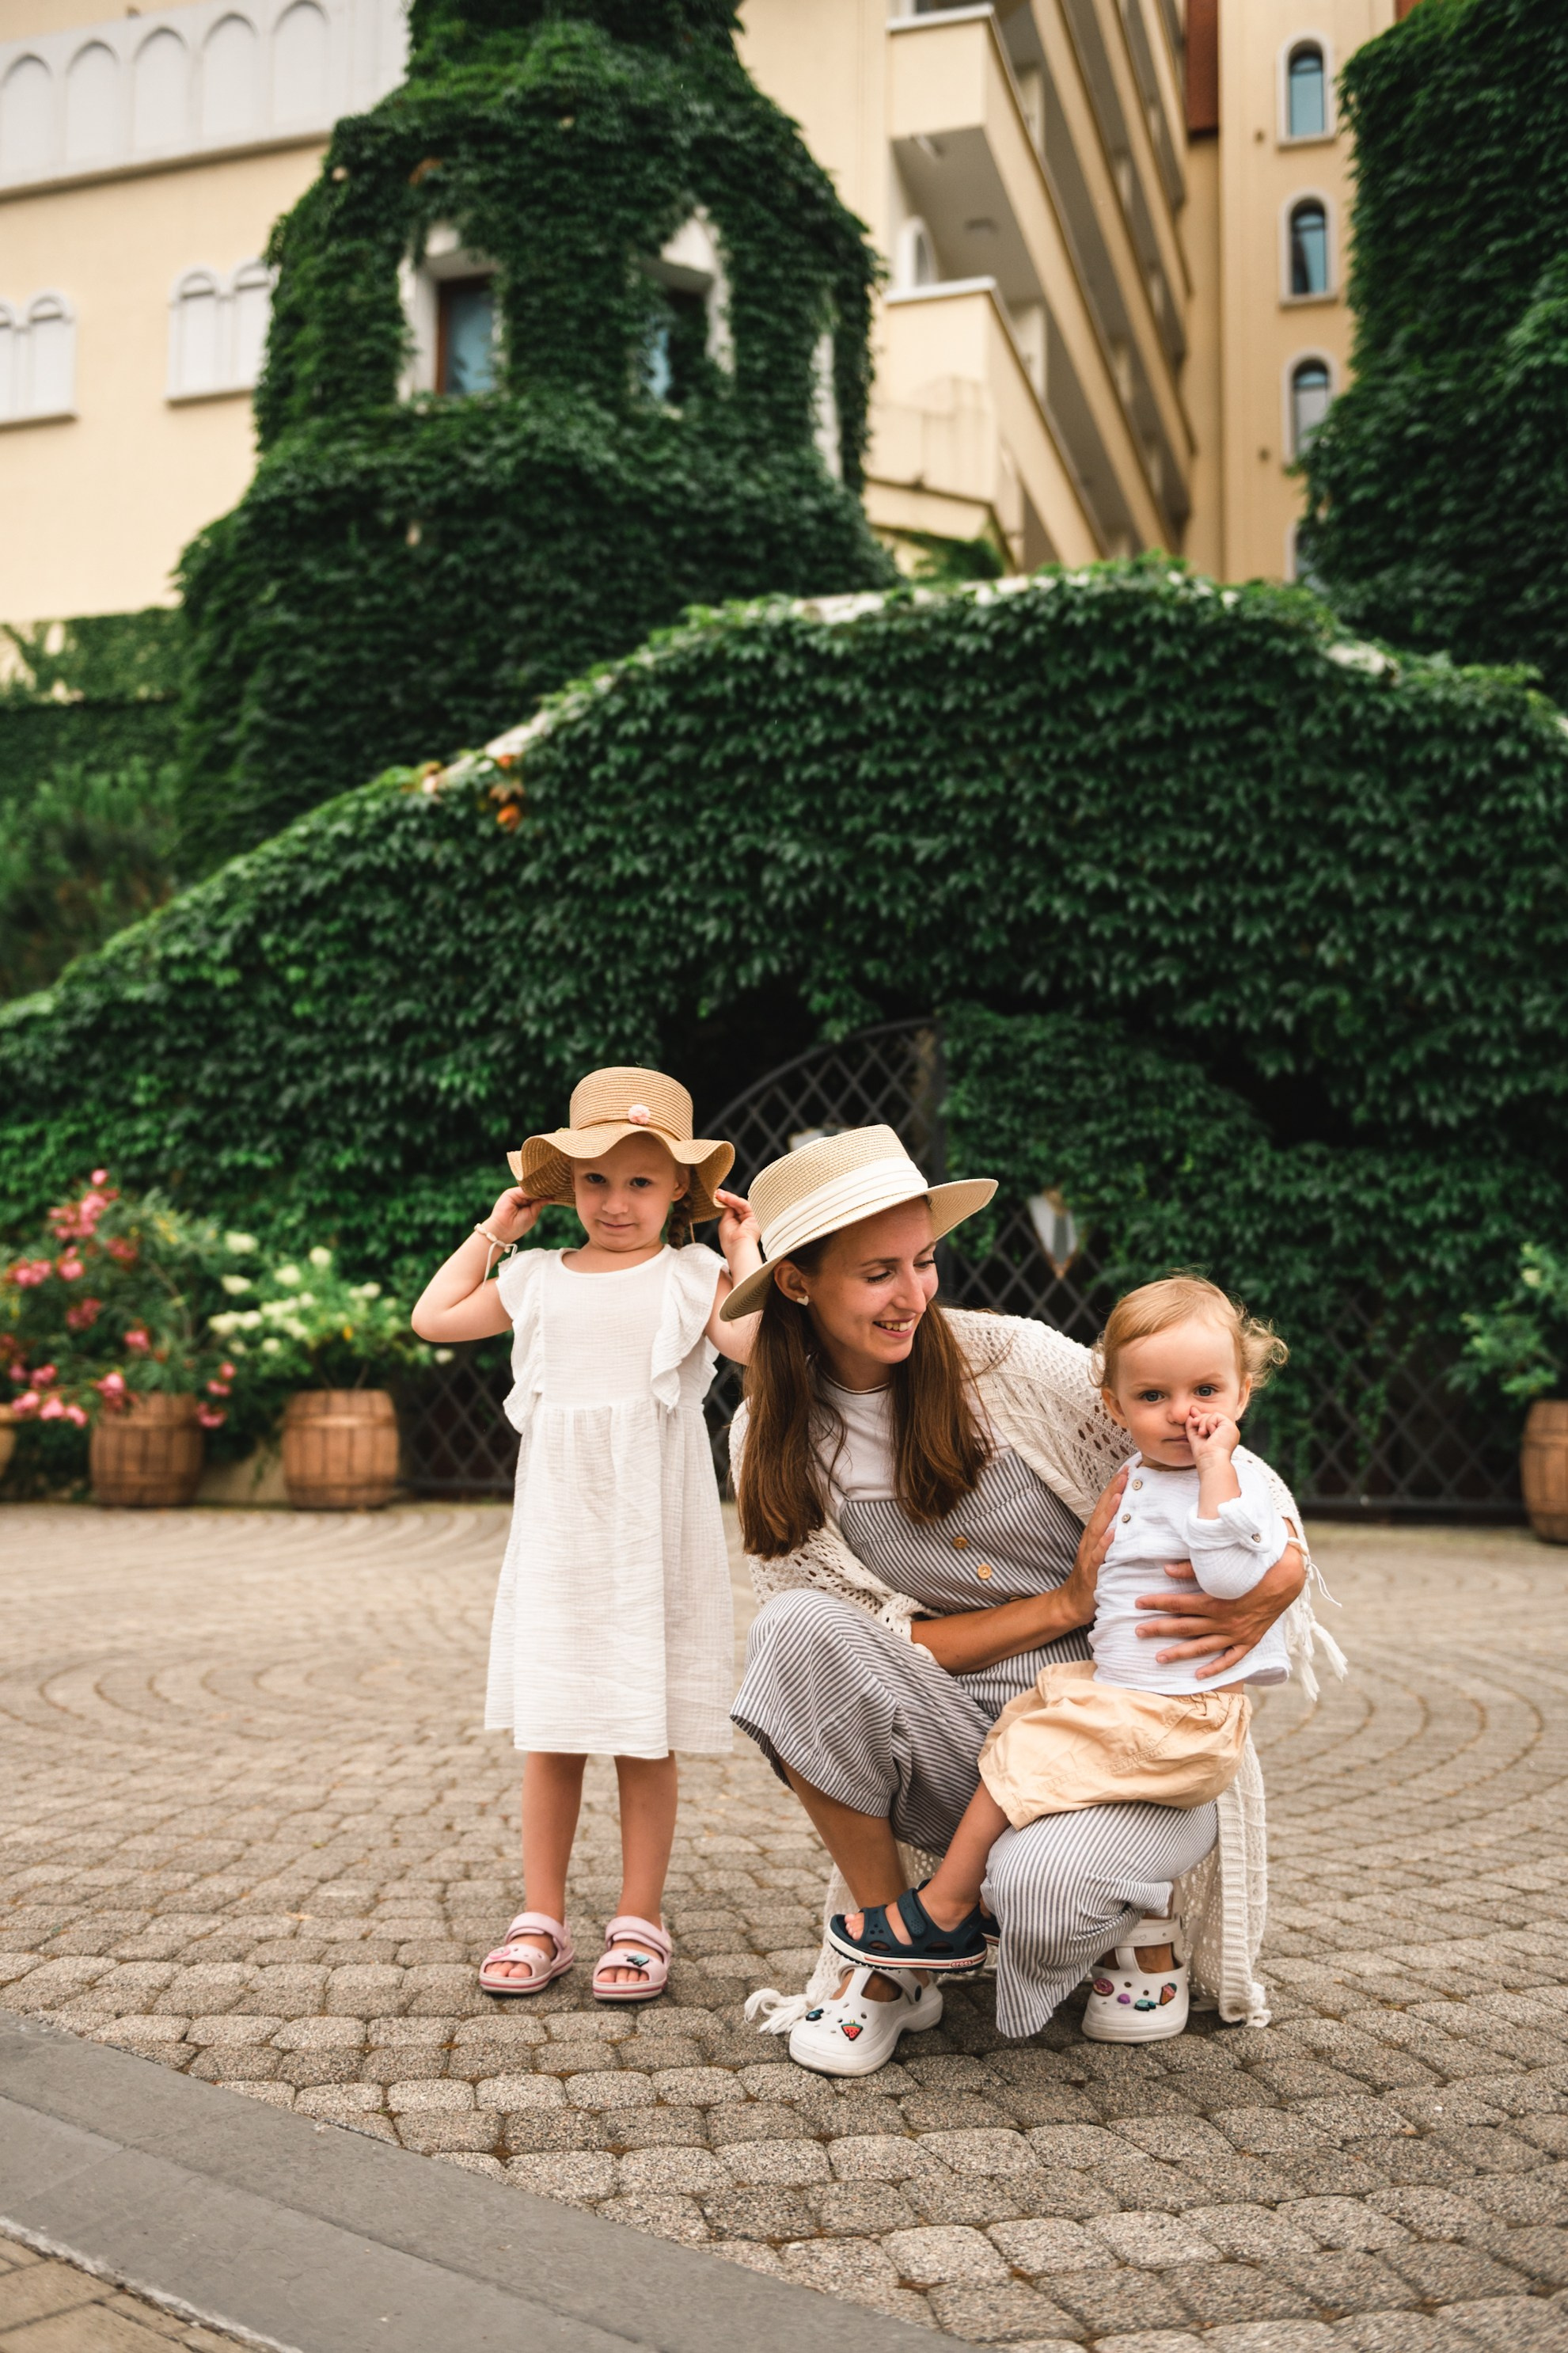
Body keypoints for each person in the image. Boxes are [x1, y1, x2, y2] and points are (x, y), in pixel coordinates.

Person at [721, 1127, 1340, 2077]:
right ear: (798, 1282)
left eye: (923, 1261)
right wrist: (1063, 1601)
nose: (913, 1294)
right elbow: (857, 1640)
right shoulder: (770, 1431)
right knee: (793, 1629)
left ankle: (1134, 1913)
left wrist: (1286, 1570)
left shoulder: (1007, 1362)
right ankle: (903, 1953)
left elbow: (1200, 1441)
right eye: (877, 1271)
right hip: (957, 1735)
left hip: (1127, 1735)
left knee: (1041, 1891)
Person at [825, 1275, 1300, 2040]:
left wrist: (1246, 1506)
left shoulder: (1232, 1485)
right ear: (1112, 1409)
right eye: (1153, 1398)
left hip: (1183, 1718)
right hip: (1123, 1699)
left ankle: (960, 1905)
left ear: (1242, 1394)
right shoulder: (1136, 1472)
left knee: (1030, 1756)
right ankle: (975, 1908)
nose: (1185, 1414)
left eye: (1207, 1390)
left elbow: (1228, 1574)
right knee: (1020, 1735)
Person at [412, 1067, 761, 2002]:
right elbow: (434, 1316)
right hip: (564, 1532)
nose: (616, 1201)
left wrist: (747, 1245)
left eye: (641, 1181)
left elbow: (757, 1345)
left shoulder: (695, 1275)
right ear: (566, 1187)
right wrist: (496, 1231)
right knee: (554, 1727)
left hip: (653, 1531)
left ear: (680, 1193)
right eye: (596, 1180)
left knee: (645, 1732)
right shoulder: (531, 1277)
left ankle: (639, 1915)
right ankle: (542, 1913)